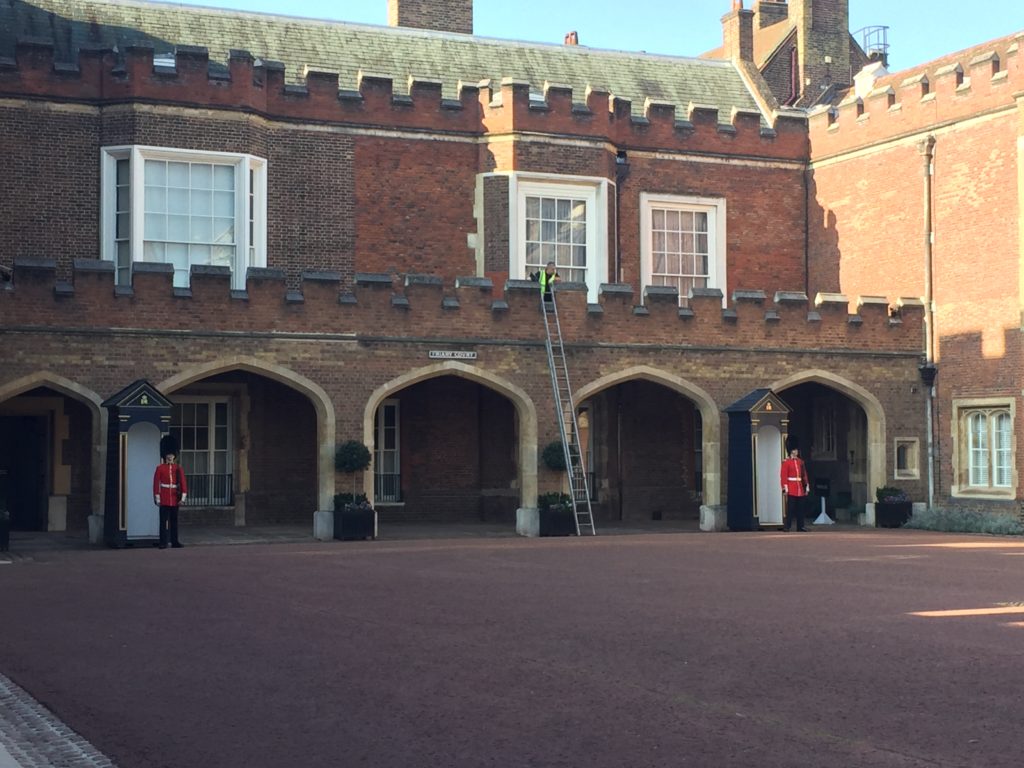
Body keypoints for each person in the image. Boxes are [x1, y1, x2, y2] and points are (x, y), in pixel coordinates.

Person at [153, 439, 188, 549]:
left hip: (174, 498)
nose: (170, 456)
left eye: (172, 454)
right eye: (168, 454)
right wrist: (157, 498)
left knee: (174, 522)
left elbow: (183, 483)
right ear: (165, 455)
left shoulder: (178, 468)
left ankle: (174, 541)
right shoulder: (160, 468)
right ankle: (163, 542)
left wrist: (183, 497)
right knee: (163, 522)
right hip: (164, 498)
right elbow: (156, 484)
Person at [780, 443, 810, 532]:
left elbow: (804, 475)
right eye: (794, 450)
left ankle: (800, 526)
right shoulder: (786, 462)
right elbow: (783, 476)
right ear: (791, 451)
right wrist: (785, 488)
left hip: (800, 488)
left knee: (801, 509)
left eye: (796, 450)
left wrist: (807, 486)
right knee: (790, 509)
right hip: (791, 488)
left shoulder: (800, 462)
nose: (796, 452)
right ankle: (787, 526)